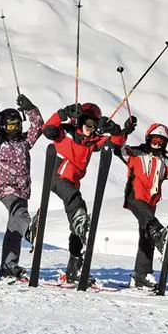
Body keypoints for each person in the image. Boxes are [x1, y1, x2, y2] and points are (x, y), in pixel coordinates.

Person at [41, 102, 134, 283]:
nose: (91, 129)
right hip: (58, 175)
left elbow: (115, 143)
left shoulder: (92, 141)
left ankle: (74, 269)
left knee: (76, 228)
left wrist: (116, 131)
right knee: (78, 205)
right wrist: (63, 113)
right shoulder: (66, 133)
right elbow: (47, 130)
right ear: (80, 120)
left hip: (72, 183)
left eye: (95, 126)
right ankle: (80, 222)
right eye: (88, 124)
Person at [0, 94, 44, 279]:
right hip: (6, 188)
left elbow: (38, 126)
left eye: (17, 124)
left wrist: (30, 108)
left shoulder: (25, 142)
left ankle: (9, 266)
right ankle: (31, 233)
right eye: (9, 125)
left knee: (14, 228)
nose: (14, 128)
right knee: (21, 215)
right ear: (3, 127)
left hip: (23, 189)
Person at [121, 123, 168, 288]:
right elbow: (119, 147)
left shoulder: (164, 161)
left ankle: (142, 274)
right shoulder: (135, 153)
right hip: (134, 197)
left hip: (150, 203)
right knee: (151, 229)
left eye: (161, 141)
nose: (157, 143)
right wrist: (123, 132)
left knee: (146, 236)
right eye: (155, 139)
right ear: (148, 138)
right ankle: (158, 233)